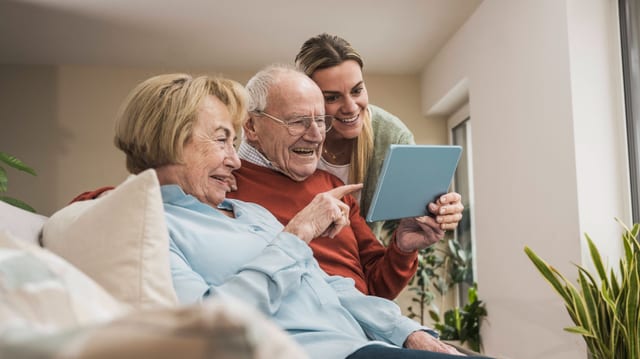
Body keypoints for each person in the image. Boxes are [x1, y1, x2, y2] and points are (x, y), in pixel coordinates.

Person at [113, 73, 492, 359]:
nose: (233, 158)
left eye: (320, 121)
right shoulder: (152, 225)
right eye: (221, 140)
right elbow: (205, 332)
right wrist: (296, 234)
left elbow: (333, 285)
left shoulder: (250, 212)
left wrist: (409, 331)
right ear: (170, 141)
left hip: (365, 340)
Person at [227, 65, 457, 300]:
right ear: (252, 126)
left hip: (364, 326)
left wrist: (403, 247)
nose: (316, 136)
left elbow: (376, 288)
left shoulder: (332, 186)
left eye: (320, 121)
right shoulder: (224, 187)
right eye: (298, 122)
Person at [295, 33, 464, 239]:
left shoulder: (393, 136)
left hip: (361, 262)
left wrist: (441, 211)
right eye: (332, 97)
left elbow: (415, 212)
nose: (350, 107)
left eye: (357, 91)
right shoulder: (292, 135)